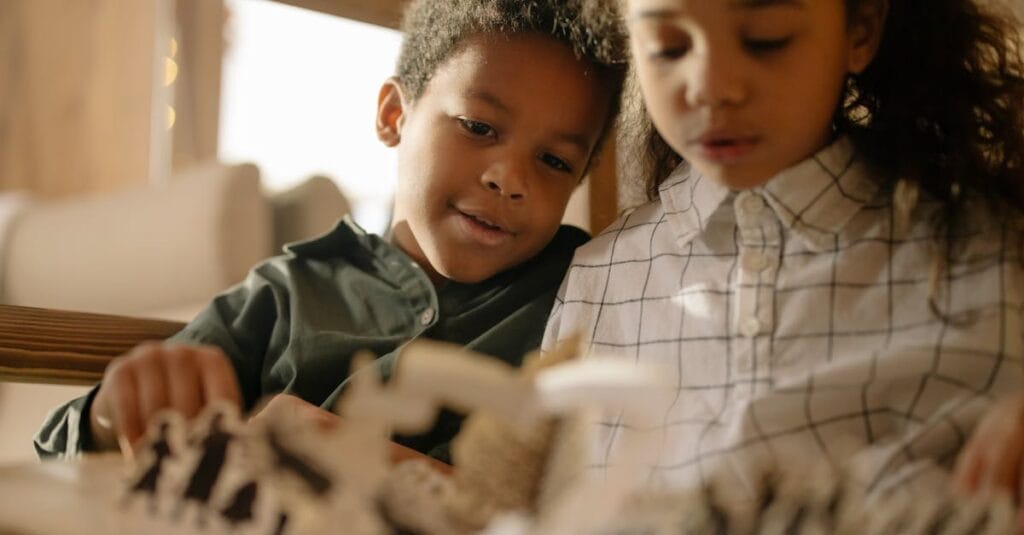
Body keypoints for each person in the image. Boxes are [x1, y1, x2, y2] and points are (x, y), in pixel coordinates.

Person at [35, 0, 629, 463]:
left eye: (554, 162)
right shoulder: (290, 289)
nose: (510, 179)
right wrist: (112, 415)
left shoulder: (584, 288)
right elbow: (63, 447)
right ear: (394, 115)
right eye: (478, 126)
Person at [542, 0, 1024, 501]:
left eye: (766, 40)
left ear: (859, 31)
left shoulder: (991, 248)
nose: (711, 87)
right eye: (670, 47)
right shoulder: (597, 279)